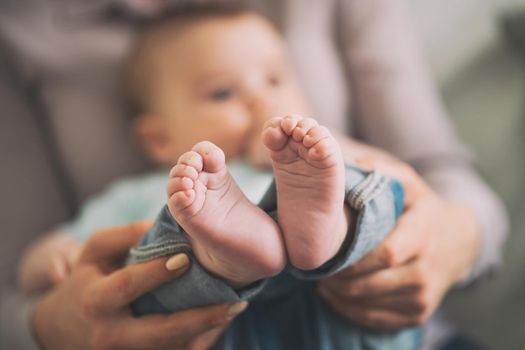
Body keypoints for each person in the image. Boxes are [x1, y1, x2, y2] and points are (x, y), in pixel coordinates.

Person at [0, 1, 508, 349]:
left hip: (362, 319)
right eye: (222, 94)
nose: (261, 99)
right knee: (161, 249)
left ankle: (331, 229)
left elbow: (435, 179)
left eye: (275, 79)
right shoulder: (147, 193)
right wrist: (50, 266)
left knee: (370, 184)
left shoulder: (319, 157)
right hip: (228, 333)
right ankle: (222, 256)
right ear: (157, 139)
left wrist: (457, 232)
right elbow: (54, 256)